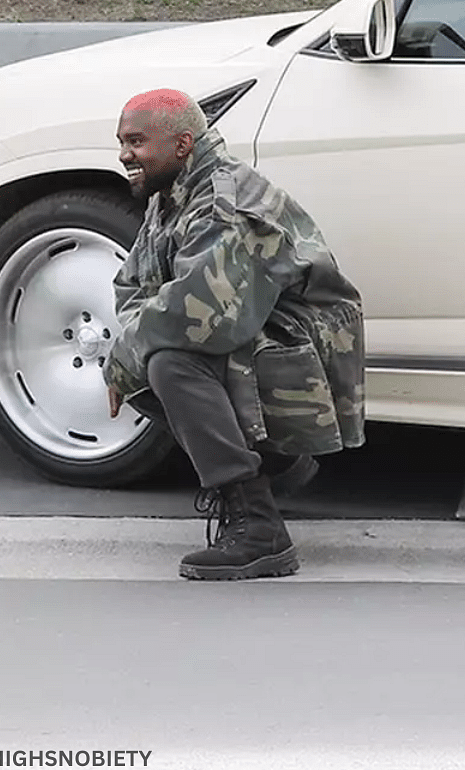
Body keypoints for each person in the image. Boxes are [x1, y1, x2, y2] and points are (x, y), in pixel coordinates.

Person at [102, 89, 366, 580]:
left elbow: (197, 315)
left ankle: (259, 525)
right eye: (121, 142)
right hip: (252, 329)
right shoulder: (173, 195)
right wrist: (133, 345)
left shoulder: (225, 202)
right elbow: (132, 286)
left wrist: (125, 355)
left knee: (169, 362)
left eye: (136, 141)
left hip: (305, 345)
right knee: (149, 356)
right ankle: (275, 466)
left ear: (182, 144)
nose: (124, 155)